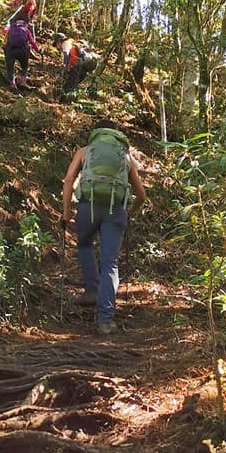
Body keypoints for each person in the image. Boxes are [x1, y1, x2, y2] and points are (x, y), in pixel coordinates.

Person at [61, 120, 146, 336]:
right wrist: (129, 214)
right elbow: (142, 196)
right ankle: (106, 321)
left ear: (95, 134)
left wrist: (66, 213)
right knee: (110, 263)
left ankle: (91, 289)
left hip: (88, 207)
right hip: (115, 211)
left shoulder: (85, 151)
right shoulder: (124, 157)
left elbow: (69, 179)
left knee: (84, 244)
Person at [53, 32, 92, 100]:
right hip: (80, 64)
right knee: (73, 82)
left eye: (56, 44)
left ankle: (66, 99)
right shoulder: (70, 43)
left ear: (59, 41)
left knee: (71, 82)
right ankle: (69, 98)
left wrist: (64, 65)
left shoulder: (65, 44)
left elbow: (66, 55)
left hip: (77, 64)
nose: (57, 46)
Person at [4, 17, 40, 89]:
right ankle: (22, 81)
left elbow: (5, 35)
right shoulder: (26, 30)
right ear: (24, 24)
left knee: (10, 68)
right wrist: (38, 50)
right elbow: (32, 42)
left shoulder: (11, 28)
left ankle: (12, 84)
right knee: (25, 66)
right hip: (23, 51)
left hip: (11, 51)